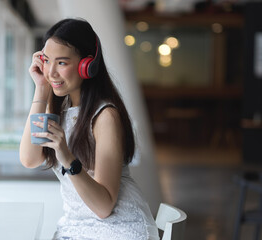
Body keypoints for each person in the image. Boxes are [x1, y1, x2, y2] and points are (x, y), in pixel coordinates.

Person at [19, 18, 159, 240]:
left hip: (119, 227)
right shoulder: (62, 109)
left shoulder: (105, 116)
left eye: (62, 63)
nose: (51, 72)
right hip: (76, 227)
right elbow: (29, 159)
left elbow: (104, 208)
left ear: (87, 66)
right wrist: (41, 88)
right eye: (47, 61)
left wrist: (67, 156)